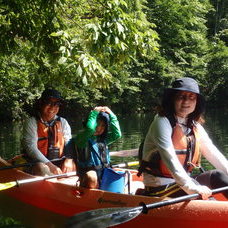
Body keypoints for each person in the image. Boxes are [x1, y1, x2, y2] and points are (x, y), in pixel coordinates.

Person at [138, 77, 228, 200]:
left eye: (191, 97)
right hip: (159, 188)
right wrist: (190, 187)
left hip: (183, 183)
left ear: (197, 102)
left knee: (218, 175)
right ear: (172, 100)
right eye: (181, 96)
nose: (186, 102)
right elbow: (170, 158)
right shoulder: (161, 122)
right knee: (203, 194)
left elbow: (213, 153)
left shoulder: (194, 125)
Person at [22, 89, 76, 176]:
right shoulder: (31, 122)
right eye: (49, 103)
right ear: (41, 104)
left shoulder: (63, 122)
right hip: (37, 163)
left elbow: (69, 143)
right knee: (41, 168)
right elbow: (31, 148)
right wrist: (49, 165)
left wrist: (69, 159)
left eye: (56, 104)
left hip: (59, 161)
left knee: (74, 164)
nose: (52, 107)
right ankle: (56, 186)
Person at [74, 106, 121, 189]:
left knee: (120, 174)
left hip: (103, 175)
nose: (99, 128)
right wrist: (94, 113)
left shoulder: (103, 139)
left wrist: (111, 114)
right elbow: (90, 129)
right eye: (97, 124)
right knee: (92, 176)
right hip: (87, 179)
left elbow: (117, 134)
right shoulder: (81, 138)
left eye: (103, 126)